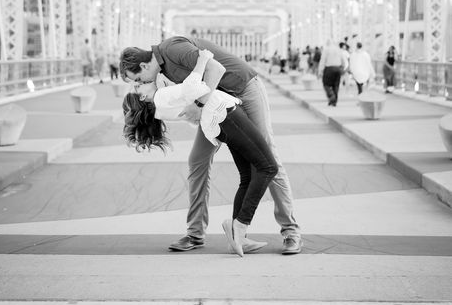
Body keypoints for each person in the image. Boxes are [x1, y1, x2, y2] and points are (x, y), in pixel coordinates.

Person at [119, 36, 302, 255]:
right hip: (218, 109)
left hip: (244, 89)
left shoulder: (172, 48)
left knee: (267, 158)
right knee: (197, 160)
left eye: (137, 78)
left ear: (143, 65)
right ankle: (195, 233)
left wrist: (198, 105)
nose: (138, 84)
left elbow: (216, 69)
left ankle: (291, 232)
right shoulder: (161, 73)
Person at [318, 39, 346, 107]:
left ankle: (331, 95)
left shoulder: (326, 49)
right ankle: (334, 101)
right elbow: (343, 60)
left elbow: (322, 61)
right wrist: (342, 67)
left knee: (326, 84)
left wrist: (320, 71)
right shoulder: (338, 49)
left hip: (329, 69)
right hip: (337, 68)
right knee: (336, 85)